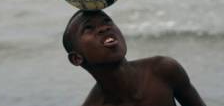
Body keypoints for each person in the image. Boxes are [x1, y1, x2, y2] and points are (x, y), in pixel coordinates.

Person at [63, 10, 207, 106]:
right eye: (88, 28)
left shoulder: (163, 71)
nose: (104, 28)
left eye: (107, 21)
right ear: (77, 58)